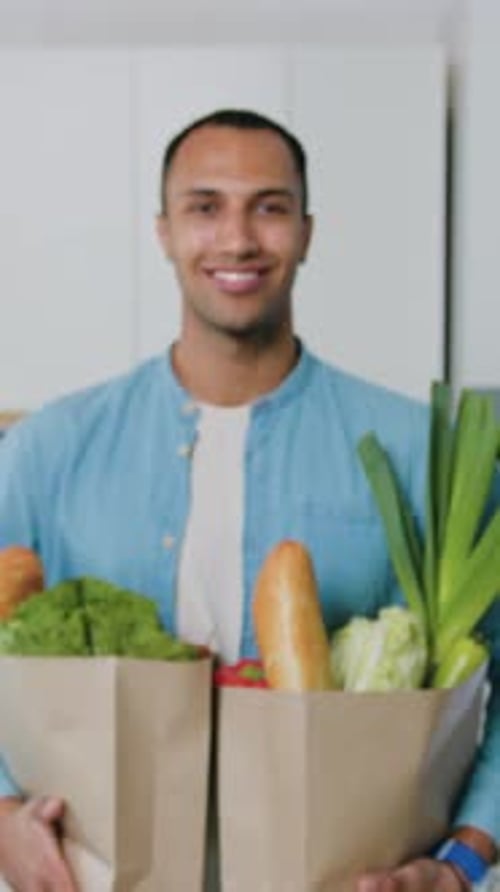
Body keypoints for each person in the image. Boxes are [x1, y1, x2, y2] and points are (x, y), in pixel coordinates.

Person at [0, 108, 498, 892]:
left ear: (307, 230)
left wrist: (462, 862)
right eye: (205, 207)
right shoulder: (47, 450)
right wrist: (1, 821)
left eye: (269, 207)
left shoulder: (411, 451)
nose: (237, 240)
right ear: (164, 231)